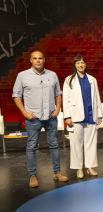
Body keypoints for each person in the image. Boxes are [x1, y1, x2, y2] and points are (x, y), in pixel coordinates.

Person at [12, 50, 68, 187]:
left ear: (44, 59)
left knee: (54, 145)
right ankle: (32, 176)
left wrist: (57, 109)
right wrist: (25, 113)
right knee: (31, 147)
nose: (38, 60)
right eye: (35, 58)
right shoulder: (22, 76)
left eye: (40, 58)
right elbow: (16, 96)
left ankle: (57, 172)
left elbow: (58, 93)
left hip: (50, 116)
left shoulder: (52, 75)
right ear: (31, 60)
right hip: (33, 118)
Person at [63, 56, 103, 179]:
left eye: (83, 63)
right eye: (78, 63)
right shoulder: (69, 80)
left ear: (85, 64)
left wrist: (100, 114)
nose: (81, 65)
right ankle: (79, 168)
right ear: (75, 65)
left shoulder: (92, 79)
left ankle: (90, 167)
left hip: (91, 116)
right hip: (75, 116)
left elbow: (97, 97)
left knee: (91, 143)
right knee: (76, 143)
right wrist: (67, 116)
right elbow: (66, 99)